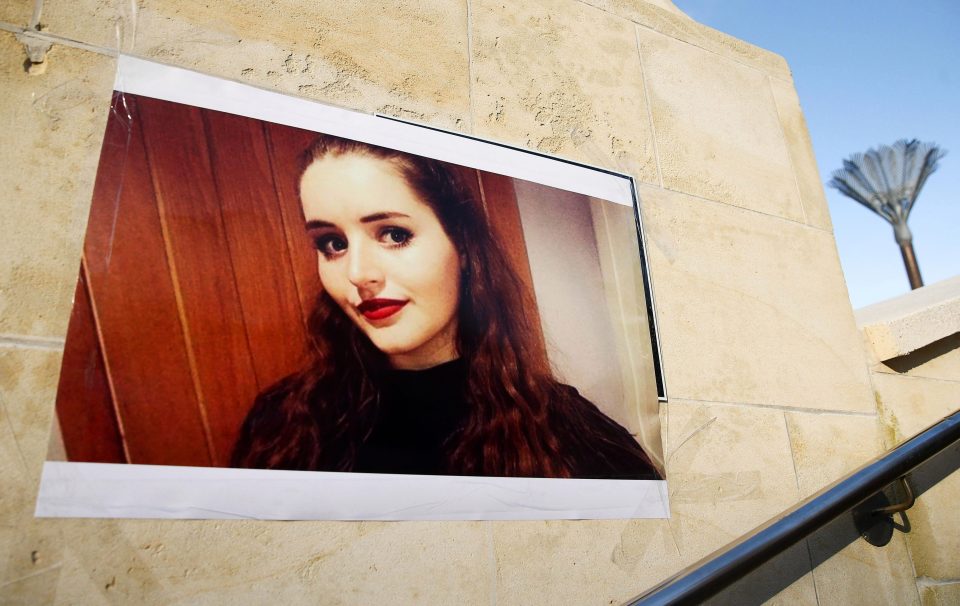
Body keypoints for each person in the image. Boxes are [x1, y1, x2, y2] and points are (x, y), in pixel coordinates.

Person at [231, 134, 662, 480]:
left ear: (462, 247)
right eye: (333, 244)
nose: (359, 274)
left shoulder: (565, 432)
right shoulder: (283, 425)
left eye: (394, 234)